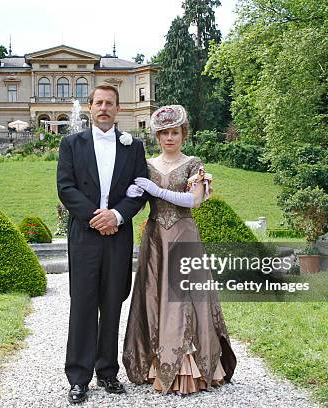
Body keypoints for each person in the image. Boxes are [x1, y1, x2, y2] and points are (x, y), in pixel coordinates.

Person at [122, 105, 237, 395]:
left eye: (174, 132)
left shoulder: (192, 163)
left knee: (184, 298)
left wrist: (157, 191)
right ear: (157, 137)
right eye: (164, 134)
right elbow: (134, 197)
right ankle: (155, 363)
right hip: (155, 237)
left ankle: (190, 369)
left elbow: (194, 201)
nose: (169, 138)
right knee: (154, 295)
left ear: (183, 134)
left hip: (184, 235)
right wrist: (131, 192)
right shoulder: (147, 164)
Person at [57, 84, 149, 404]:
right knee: (83, 303)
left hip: (118, 234)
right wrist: (96, 217)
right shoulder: (71, 143)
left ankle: (107, 372)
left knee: (112, 301)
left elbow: (139, 189)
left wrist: (118, 216)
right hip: (85, 234)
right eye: (99, 103)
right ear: (90, 107)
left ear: (118, 109)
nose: (104, 108)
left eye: (110, 103)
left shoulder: (133, 147)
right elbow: (66, 188)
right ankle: (79, 377)